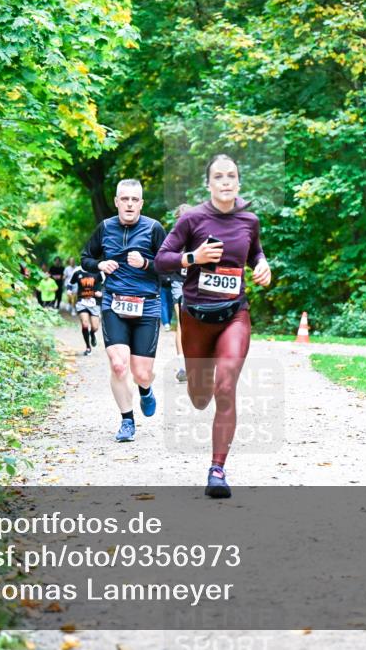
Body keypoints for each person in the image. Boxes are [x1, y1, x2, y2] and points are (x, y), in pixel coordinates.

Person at [155, 155, 272, 498]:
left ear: (238, 182)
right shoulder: (192, 219)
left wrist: (263, 266)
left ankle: (217, 470)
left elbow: (256, 254)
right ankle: (194, 383)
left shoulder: (250, 220)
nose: (225, 181)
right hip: (196, 317)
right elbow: (161, 259)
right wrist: (193, 258)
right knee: (200, 397)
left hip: (235, 314)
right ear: (208, 184)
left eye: (231, 176)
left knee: (225, 387)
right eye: (218, 176)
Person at [80, 179, 167, 442]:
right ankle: (127, 421)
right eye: (124, 199)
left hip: (147, 306)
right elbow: (85, 258)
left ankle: (145, 389)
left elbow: (169, 266)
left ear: (141, 203)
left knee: (141, 373)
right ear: (117, 201)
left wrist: (145, 264)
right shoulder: (105, 228)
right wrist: (100, 264)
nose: (129, 204)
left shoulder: (154, 229)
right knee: (118, 366)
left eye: (134, 199)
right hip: (113, 303)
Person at [165, 203, 193, 382]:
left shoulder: (203, 236)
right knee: (183, 322)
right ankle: (183, 366)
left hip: (198, 283)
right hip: (179, 283)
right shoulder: (173, 238)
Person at [69, 266, 103, 355]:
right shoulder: (77, 271)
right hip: (82, 302)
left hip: (94, 303)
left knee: (95, 327)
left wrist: (101, 292)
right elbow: (70, 283)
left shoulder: (98, 271)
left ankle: (92, 333)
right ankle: (88, 347)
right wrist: (69, 291)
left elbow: (106, 284)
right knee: (85, 323)